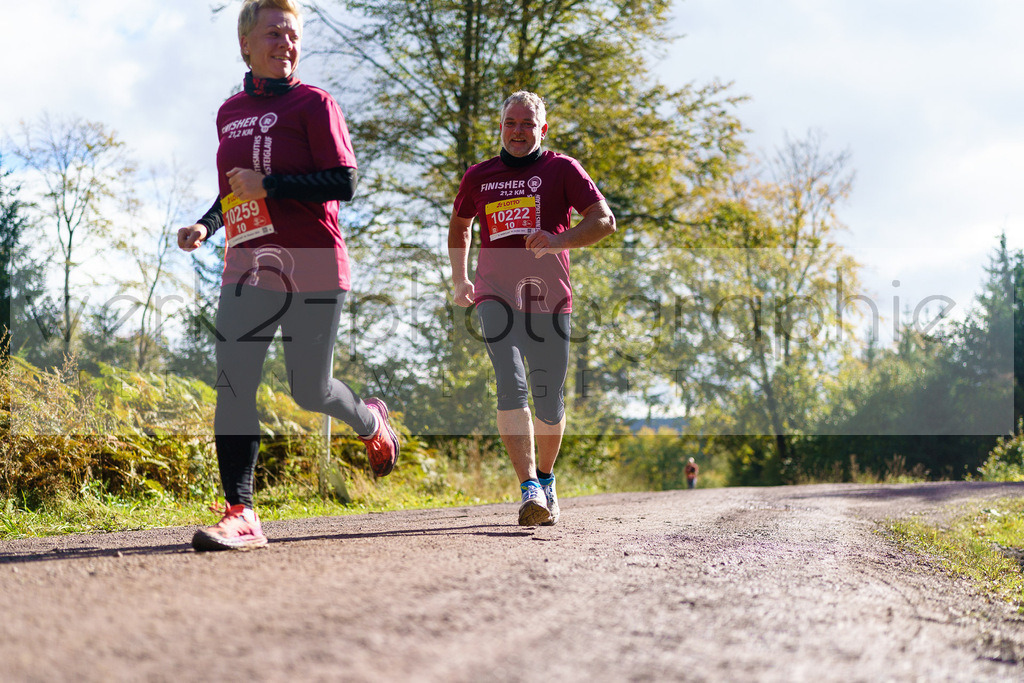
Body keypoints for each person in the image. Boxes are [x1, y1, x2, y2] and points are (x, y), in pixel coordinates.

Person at [177, 0, 399, 551]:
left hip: (315, 263)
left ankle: (370, 421)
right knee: (234, 383)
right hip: (248, 263)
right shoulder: (229, 112)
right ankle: (242, 511)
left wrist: (269, 188)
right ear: (245, 44)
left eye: (293, 34)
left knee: (309, 389)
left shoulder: (315, 104)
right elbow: (234, 189)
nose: (286, 43)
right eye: (273, 33)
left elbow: (344, 183)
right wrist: (207, 224)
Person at [448, 91, 616, 526]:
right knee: (510, 381)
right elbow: (460, 225)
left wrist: (559, 240)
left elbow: (603, 220)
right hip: (494, 293)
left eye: (527, 124)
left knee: (548, 399)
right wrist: (460, 277)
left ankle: (546, 478)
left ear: (542, 129)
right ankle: (527, 489)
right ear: (500, 127)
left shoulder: (561, 169)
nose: (518, 130)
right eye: (511, 123)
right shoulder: (479, 176)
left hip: (548, 298)